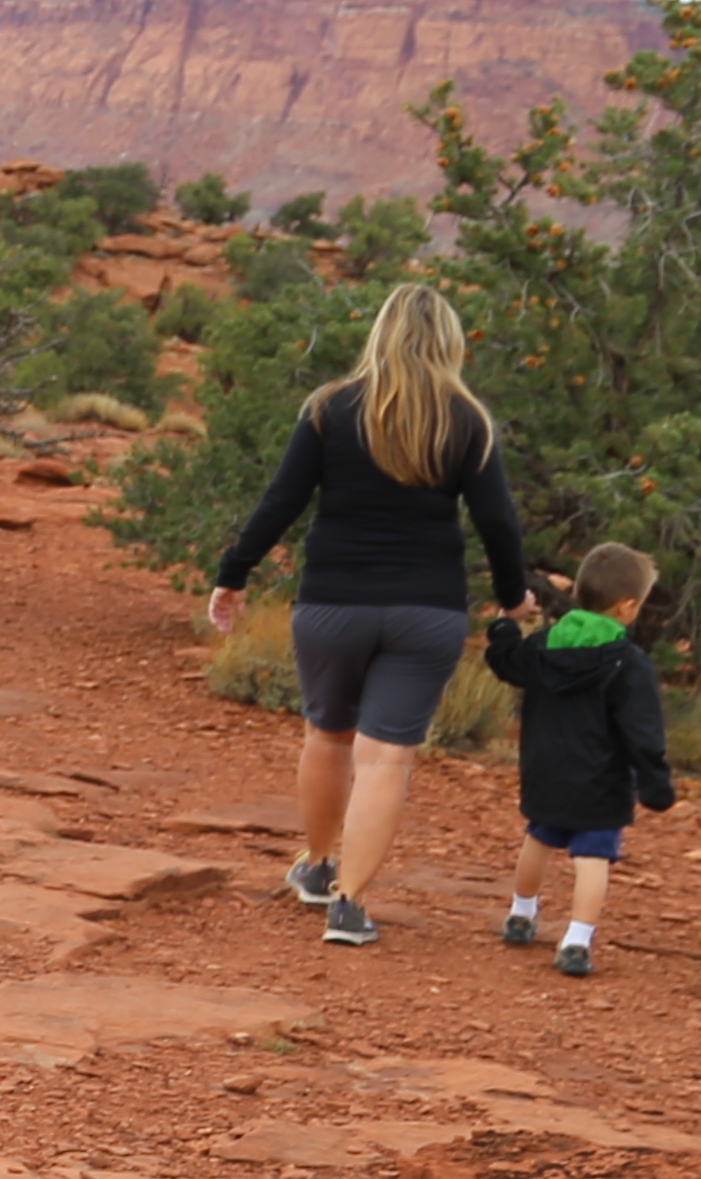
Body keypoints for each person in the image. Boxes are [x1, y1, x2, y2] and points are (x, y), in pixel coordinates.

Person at [209, 282, 535, 949]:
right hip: (426, 611)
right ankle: (349, 907)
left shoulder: (330, 408)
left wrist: (233, 574)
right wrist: (512, 595)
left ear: (380, 332)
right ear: (448, 341)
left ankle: (318, 865)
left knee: (327, 736)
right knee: (386, 758)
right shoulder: (466, 418)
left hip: (333, 604)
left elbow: (282, 500)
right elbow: (497, 520)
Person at [484, 540, 676, 976]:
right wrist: (654, 783)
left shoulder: (545, 644)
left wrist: (503, 628)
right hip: (601, 783)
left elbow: (506, 661)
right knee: (592, 857)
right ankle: (576, 940)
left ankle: (521, 912)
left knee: (539, 838)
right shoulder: (629, 664)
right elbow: (643, 731)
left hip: (545, 771)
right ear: (627, 606)